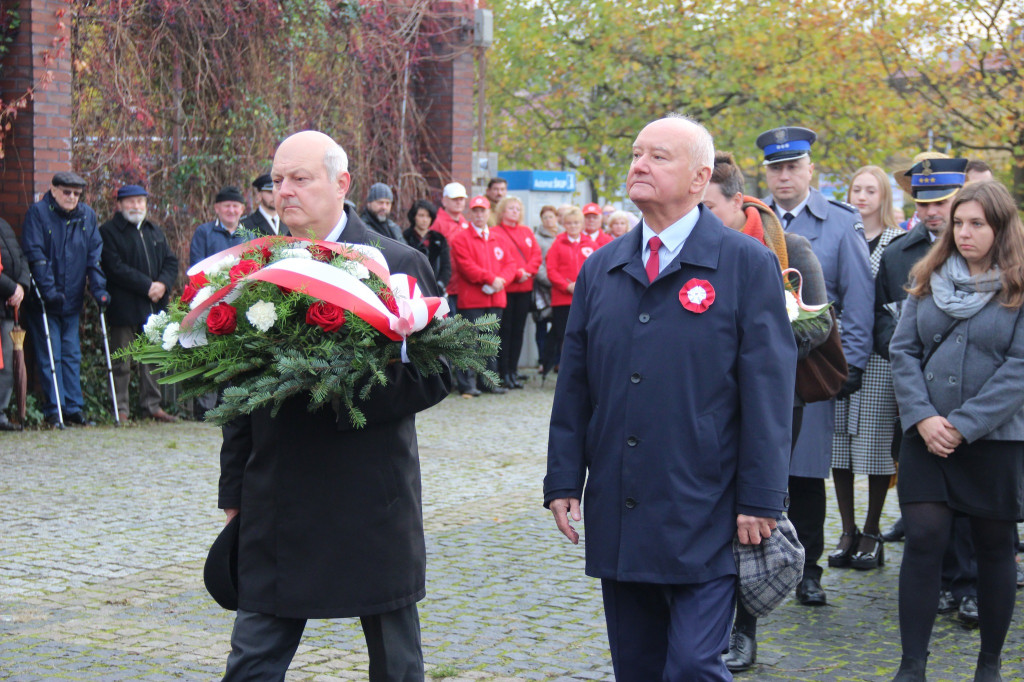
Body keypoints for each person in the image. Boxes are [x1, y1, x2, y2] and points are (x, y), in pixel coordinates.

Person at [545, 116, 796, 680]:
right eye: (637, 154)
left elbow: (769, 392)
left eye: (658, 157)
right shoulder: (601, 268)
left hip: (707, 505)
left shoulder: (745, 263)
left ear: (700, 177)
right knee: (637, 665)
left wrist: (762, 497)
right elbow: (575, 386)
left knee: (691, 665)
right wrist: (562, 479)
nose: (639, 165)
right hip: (623, 501)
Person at [218, 130, 451, 681]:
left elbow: (438, 371)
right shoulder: (255, 270)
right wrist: (234, 489)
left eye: (300, 178)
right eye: (278, 180)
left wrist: (338, 391)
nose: (285, 191)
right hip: (278, 494)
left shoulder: (396, 262)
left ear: (341, 183)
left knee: (395, 663)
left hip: (369, 495)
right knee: (252, 660)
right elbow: (237, 390)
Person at [888, 180, 1024, 682]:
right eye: (959, 223)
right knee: (924, 538)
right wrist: (923, 417)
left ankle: (988, 665)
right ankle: (912, 666)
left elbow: (1020, 367)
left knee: (994, 546)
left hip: (995, 439)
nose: (964, 233)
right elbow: (903, 350)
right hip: (925, 435)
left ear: (1001, 228)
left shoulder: (1019, 285)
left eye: (977, 224)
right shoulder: (928, 275)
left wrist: (964, 426)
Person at [703, 151, 831, 673]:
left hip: (775, 399)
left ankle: (745, 627)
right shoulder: (696, 248)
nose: (702, 218)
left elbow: (819, 324)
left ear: (738, 201)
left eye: (710, 208)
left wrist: (759, 350)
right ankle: (706, 617)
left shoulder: (788, 247)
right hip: (708, 400)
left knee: (758, 507)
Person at [758, 125, 874, 606]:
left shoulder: (841, 222)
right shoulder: (753, 218)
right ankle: (761, 564)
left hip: (812, 363)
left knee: (806, 472)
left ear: (810, 170)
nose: (784, 176)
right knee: (764, 467)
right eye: (776, 169)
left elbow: (859, 296)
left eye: (792, 167)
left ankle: (809, 569)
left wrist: (852, 364)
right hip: (762, 365)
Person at [878, 156, 980, 623]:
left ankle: (969, 584)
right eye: (923, 204)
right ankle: (939, 581)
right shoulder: (899, 253)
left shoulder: (987, 253)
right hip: (916, 394)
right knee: (927, 503)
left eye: (941, 202)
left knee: (972, 501)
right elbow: (882, 317)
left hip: (973, 399)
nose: (931, 212)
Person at [827, 166, 906, 572]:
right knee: (838, 444)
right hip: (837, 352)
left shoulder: (896, 242)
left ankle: (872, 532)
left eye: (870, 190)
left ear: (884, 196)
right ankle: (847, 529)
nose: (861, 196)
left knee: (875, 444)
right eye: (856, 189)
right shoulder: (842, 232)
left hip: (878, 356)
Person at [21, 171, 109, 427]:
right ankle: (54, 408)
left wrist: (99, 289)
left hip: (72, 300)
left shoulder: (87, 216)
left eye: (77, 194)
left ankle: (73, 408)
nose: (72, 197)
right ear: (54, 190)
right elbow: (35, 255)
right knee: (51, 355)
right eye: (67, 192)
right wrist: (49, 291)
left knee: (72, 355)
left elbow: (94, 256)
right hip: (45, 301)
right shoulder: (38, 214)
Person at [99, 184, 179, 423]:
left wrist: (162, 284)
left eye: (140, 201)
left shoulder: (154, 230)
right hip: (124, 306)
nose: (136, 206)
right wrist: (147, 286)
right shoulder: (108, 231)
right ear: (119, 205)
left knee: (152, 359)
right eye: (131, 201)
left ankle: (152, 405)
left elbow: (171, 261)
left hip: (153, 306)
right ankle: (120, 408)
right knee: (121, 360)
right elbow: (114, 267)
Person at [448, 195, 513, 398]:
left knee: (490, 342)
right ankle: (467, 384)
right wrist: (490, 279)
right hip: (472, 299)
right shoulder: (461, 238)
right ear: (471, 213)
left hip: (495, 297)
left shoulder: (499, 238)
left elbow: (510, 264)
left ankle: (488, 382)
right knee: (469, 342)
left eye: (482, 211)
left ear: (488, 213)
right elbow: (466, 266)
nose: (479, 215)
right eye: (475, 211)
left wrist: (501, 281)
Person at [493, 196, 541, 389]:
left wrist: (527, 271)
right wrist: (516, 273)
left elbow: (536, 255)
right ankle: (503, 371)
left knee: (518, 331)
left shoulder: (526, 231)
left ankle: (513, 370)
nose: (515, 211)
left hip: (525, 288)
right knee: (505, 330)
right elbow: (498, 260)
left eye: (518, 209)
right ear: (502, 211)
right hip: (506, 288)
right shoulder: (496, 232)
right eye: (511, 208)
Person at [540, 206, 586, 379]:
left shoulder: (590, 244)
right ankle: (564, 372)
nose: (573, 226)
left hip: (585, 298)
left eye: (576, 223)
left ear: (581, 224)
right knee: (564, 337)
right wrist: (566, 286)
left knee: (584, 335)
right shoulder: (557, 244)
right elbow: (551, 270)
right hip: (562, 299)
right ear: (564, 224)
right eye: (569, 223)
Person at [0, 214, 30, 431]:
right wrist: (12, 288)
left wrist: (21, 285)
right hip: (6, 299)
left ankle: (0, 412)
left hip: (8, 309)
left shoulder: (3, 224)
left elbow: (20, 257)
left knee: (9, 366)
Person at [189, 186, 248, 267]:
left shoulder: (250, 237)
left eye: (235, 206)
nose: (231, 210)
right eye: (227, 206)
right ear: (217, 208)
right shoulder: (204, 233)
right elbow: (197, 266)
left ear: (242, 209)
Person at [403, 199, 450, 294]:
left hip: (435, 288)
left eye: (428, 216)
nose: (425, 220)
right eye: (421, 215)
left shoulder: (439, 239)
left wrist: (439, 286)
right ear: (414, 217)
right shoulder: (405, 237)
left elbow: (446, 267)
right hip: (411, 288)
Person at [532, 205, 560, 364]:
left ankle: (557, 361)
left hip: (562, 289)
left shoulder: (563, 235)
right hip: (543, 288)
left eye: (551, 216)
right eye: (545, 217)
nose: (549, 220)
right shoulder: (537, 238)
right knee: (542, 325)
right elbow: (538, 264)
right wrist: (550, 280)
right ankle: (543, 360)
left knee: (558, 326)